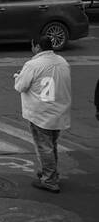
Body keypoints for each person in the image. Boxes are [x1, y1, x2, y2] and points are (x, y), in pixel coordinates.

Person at [14, 33, 72, 192]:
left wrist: (18, 76)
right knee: (51, 144)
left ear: (38, 47)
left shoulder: (33, 65)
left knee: (44, 147)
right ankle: (51, 172)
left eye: (33, 46)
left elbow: (20, 86)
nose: (32, 49)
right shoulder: (62, 62)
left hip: (41, 112)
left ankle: (49, 179)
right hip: (59, 111)